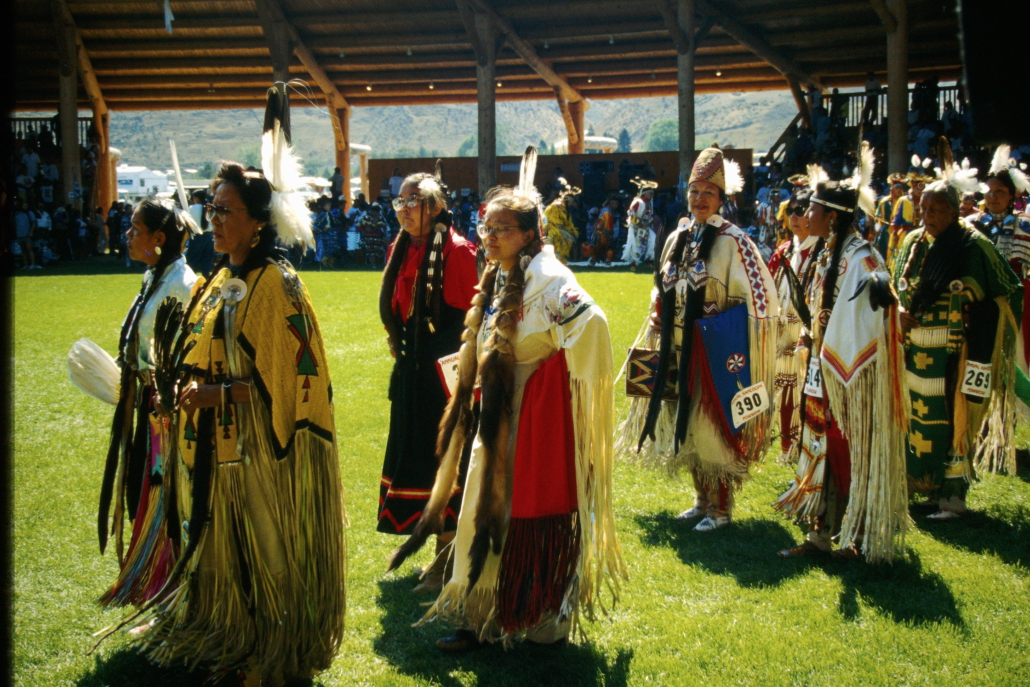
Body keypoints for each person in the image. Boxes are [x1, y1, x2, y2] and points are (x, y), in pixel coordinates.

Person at [387, 148, 626, 650]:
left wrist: (553, 387)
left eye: (502, 229)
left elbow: (593, 325)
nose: (489, 237)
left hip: (532, 423)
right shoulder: (498, 274)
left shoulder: (552, 281)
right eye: (486, 227)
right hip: (493, 417)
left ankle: (539, 618)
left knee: (526, 516)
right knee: (478, 510)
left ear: (529, 233)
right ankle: (480, 615)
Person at [617, 147, 780, 532]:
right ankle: (701, 500)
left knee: (711, 427)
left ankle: (720, 509)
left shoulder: (735, 242)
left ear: (722, 198)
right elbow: (662, 284)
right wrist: (657, 310)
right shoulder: (679, 236)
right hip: (677, 348)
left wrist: (717, 328)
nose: (700, 198)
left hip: (714, 352)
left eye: (709, 192)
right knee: (685, 422)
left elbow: (760, 300)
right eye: (694, 191)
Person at [774, 148, 910, 561]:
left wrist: (828, 347)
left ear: (832, 216)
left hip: (851, 375)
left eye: (813, 208)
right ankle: (821, 532)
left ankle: (859, 535)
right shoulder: (826, 251)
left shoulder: (861, 258)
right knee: (820, 447)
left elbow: (869, 320)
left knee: (849, 452)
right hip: (823, 369)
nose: (805, 213)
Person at [894, 144, 1023, 520]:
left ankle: (953, 497)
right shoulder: (912, 242)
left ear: (954, 211)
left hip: (957, 353)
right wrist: (898, 311)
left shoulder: (974, 245)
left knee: (955, 420)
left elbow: (1010, 291)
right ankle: (927, 485)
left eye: (935, 210)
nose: (926, 216)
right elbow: (894, 286)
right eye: (923, 209)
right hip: (916, 353)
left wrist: (978, 320)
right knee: (919, 418)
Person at [93, 197, 198, 608]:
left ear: (159, 237)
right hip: (145, 405)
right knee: (143, 488)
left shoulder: (182, 284)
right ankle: (154, 579)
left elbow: (187, 354)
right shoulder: (155, 276)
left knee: (166, 495)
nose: (127, 234)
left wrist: (160, 392)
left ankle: (171, 584)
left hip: (166, 413)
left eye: (135, 229)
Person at [377, 170, 478, 593]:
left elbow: (471, 321)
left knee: (447, 460)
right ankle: (435, 548)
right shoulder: (400, 248)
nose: (403, 210)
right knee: (418, 458)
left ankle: (446, 558)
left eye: (412, 202)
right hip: (412, 374)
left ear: (435, 207)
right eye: (398, 202)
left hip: (445, 379)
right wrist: (399, 338)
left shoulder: (458, 252)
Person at [768, 184, 821, 462]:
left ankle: (808, 447)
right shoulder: (784, 252)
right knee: (785, 386)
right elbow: (767, 287)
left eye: (801, 211)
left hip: (811, 335)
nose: (795, 217)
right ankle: (787, 447)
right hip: (783, 333)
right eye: (791, 211)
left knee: (808, 390)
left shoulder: (823, 252)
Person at [888, 164, 932, 270]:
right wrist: (895, 233)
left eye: (921, 189)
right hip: (906, 234)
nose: (919, 191)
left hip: (922, 233)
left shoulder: (926, 201)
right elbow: (897, 219)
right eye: (917, 189)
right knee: (904, 257)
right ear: (912, 187)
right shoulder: (904, 200)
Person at [621, 178, 657, 268]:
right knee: (634, 244)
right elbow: (630, 212)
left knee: (653, 239)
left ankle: (648, 259)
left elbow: (648, 215)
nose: (652, 195)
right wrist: (638, 222)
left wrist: (650, 221)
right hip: (635, 227)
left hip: (645, 227)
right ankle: (633, 262)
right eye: (650, 193)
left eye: (652, 193)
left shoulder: (649, 203)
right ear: (645, 193)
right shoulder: (638, 201)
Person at [542, 179, 580, 264]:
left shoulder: (566, 211)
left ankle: (558, 257)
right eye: (571, 202)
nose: (571, 204)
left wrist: (572, 231)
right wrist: (548, 228)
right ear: (567, 200)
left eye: (572, 202)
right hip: (552, 230)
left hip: (558, 231)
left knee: (569, 239)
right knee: (560, 239)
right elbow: (548, 218)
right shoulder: (556, 206)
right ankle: (554, 256)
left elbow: (568, 224)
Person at [185, 189, 215, 275]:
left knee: (192, 263)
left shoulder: (191, 208)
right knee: (207, 263)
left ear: (196, 198)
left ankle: (192, 280)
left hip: (196, 237)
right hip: (209, 237)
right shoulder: (210, 208)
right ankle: (206, 280)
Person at [356, 202, 387, 268]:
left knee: (379, 252)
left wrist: (383, 233)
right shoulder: (365, 217)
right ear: (372, 211)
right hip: (369, 238)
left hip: (378, 238)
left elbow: (384, 227)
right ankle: (373, 265)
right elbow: (359, 227)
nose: (377, 213)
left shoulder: (381, 218)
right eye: (376, 212)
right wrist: (365, 230)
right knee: (371, 252)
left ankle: (378, 264)